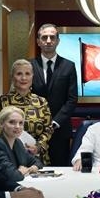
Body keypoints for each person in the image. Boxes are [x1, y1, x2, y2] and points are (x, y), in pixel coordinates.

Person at [30, 23, 78, 166]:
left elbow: (72, 99)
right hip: (35, 131)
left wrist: (55, 122)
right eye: (44, 37)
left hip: (60, 130)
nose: (48, 41)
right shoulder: (29, 65)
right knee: (35, 170)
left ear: (58, 41)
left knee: (61, 171)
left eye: (52, 37)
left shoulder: (69, 66)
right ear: (38, 41)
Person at [0, 59, 53, 165]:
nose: (24, 78)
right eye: (19, 74)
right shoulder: (2, 101)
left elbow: (48, 129)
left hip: (37, 157)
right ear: (12, 77)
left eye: (27, 74)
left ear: (32, 76)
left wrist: (38, 147)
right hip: (10, 158)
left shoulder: (41, 102)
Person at [0, 106, 43, 182]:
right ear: (1, 124)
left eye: (21, 123)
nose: (17, 126)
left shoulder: (17, 142)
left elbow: (37, 162)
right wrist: (21, 172)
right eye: (12, 122)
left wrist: (30, 169)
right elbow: (12, 176)